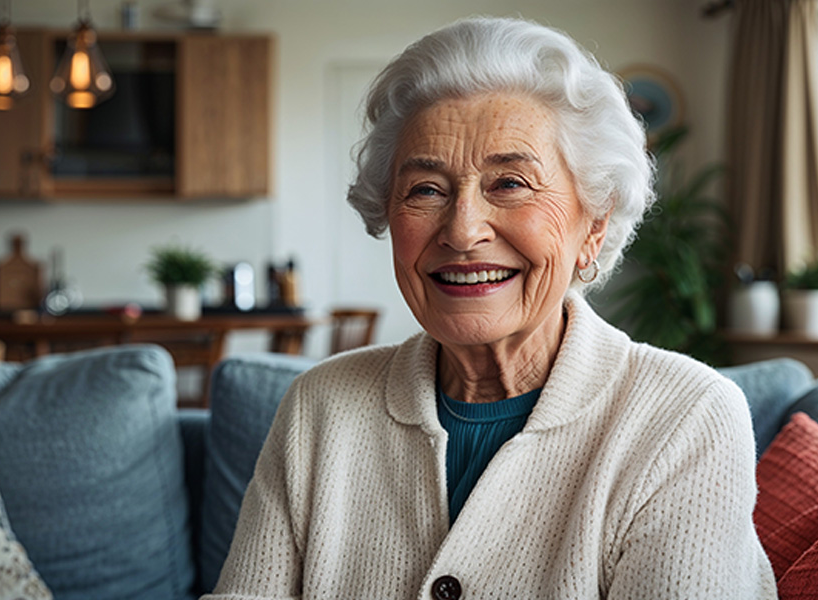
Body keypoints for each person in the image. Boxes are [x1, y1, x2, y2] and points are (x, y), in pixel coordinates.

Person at [205, 16, 776, 599]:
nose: (462, 230)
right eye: (426, 189)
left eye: (510, 183)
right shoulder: (318, 409)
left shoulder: (686, 418)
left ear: (594, 225)